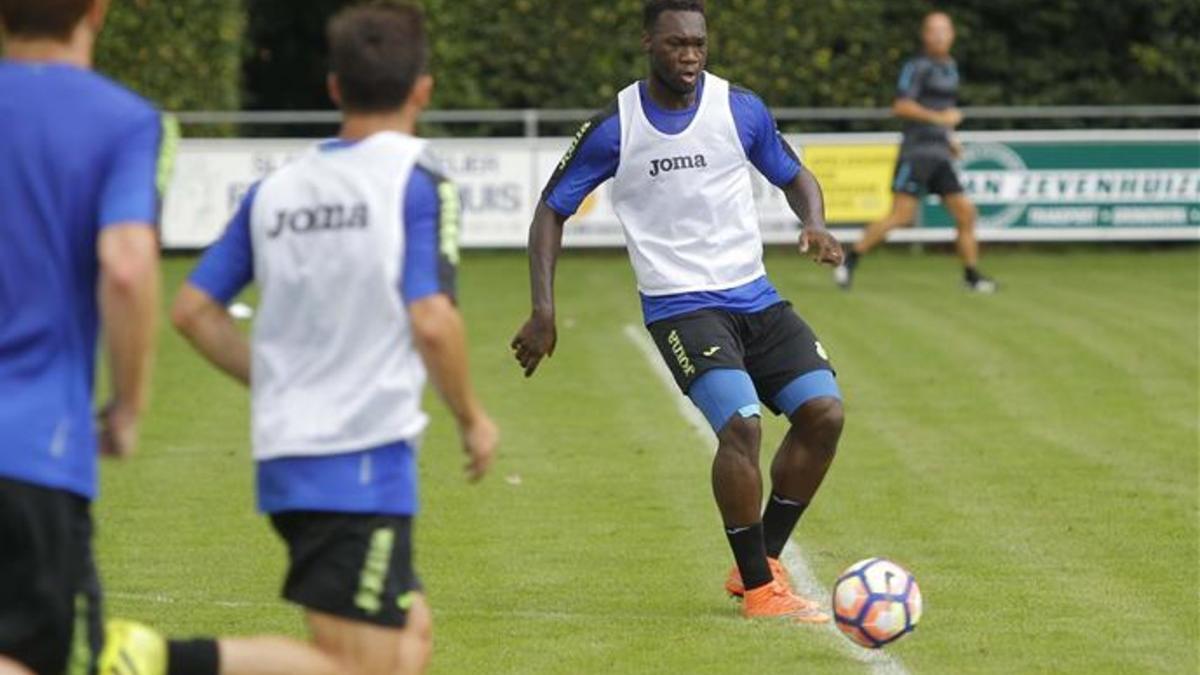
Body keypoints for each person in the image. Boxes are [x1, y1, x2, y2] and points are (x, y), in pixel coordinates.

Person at [104, 4, 499, 674]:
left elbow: (194, 310)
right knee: (357, 664)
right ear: (424, 88)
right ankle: (158, 658)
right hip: (358, 458)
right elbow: (432, 317)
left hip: (292, 450)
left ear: (335, 87)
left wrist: (281, 378)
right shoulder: (418, 179)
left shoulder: (275, 189)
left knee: (411, 641)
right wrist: (473, 417)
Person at [511, 0, 843, 622]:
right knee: (742, 425)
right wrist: (543, 311)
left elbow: (795, 175)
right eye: (675, 44)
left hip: (755, 295)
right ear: (648, 44)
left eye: (698, 44)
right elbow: (551, 210)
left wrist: (816, 224)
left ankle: (759, 564)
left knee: (824, 413)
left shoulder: (739, 108)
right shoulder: (617, 125)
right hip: (681, 306)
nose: (689, 55)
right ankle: (763, 593)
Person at [0, 0, 170, 672]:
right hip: (34, 446)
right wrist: (127, 407)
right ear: (96, 12)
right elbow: (127, 265)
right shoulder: (124, 121)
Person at [834, 11, 998, 293]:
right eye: (934, 31)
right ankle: (850, 259)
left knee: (966, 214)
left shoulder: (951, 67)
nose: (939, 36)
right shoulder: (917, 66)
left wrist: (949, 137)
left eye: (944, 30)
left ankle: (971, 276)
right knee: (901, 216)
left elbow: (943, 112)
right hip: (916, 154)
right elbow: (901, 106)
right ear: (925, 35)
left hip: (940, 156)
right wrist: (939, 120)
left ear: (952, 34)